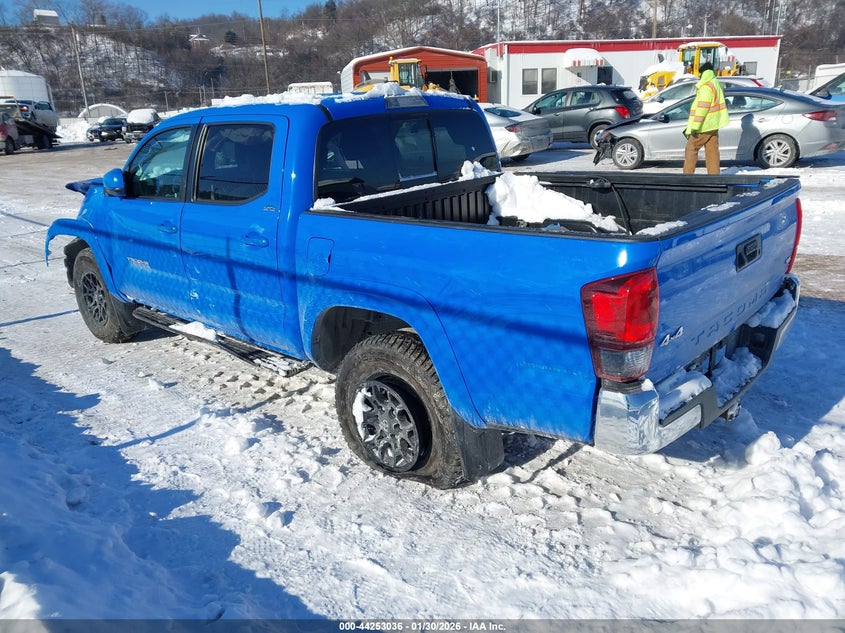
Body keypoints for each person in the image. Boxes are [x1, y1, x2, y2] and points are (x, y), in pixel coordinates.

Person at [683, 62, 729, 174]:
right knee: (712, 150)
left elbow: (702, 108)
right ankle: (714, 177)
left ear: (703, 73)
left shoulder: (706, 87)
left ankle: (686, 177)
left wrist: (695, 127)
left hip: (704, 125)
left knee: (691, 148)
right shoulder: (716, 84)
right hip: (714, 124)